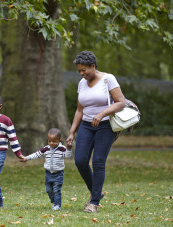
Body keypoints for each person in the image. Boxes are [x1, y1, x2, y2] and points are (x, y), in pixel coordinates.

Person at [66, 50, 125, 213]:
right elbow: (79, 110)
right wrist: (71, 132)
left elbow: (121, 102)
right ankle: (97, 192)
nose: (81, 73)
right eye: (79, 70)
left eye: (84, 70)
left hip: (105, 126)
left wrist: (102, 113)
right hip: (86, 125)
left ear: (93, 65)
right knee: (80, 160)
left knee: (98, 162)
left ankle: (94, 202)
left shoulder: (108, 79)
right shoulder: (82, 83)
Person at [20, 128, 72, 211]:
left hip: (58, 174)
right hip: (48, 173)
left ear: (59, 140)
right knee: (49, 190)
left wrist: (68, 149)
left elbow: (68, 156)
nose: (51, 143)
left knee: (56, 190)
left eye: (54, 141)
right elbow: (37, 154)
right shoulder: (46, 149)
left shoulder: (62, 149)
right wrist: (27, 158)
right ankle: (54, 201)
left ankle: (57, 204)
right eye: (49, 141)